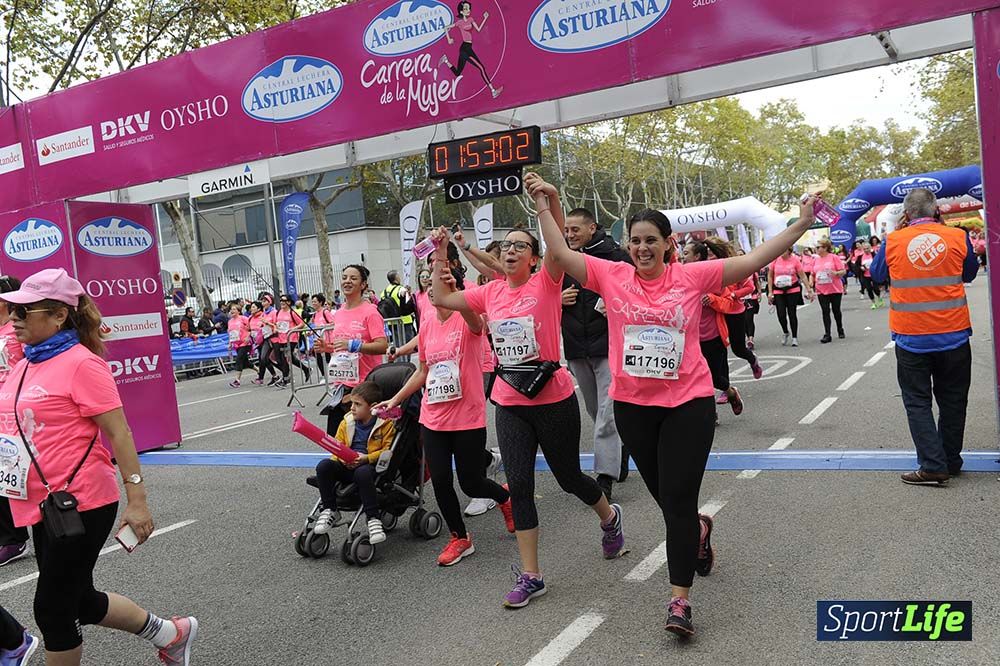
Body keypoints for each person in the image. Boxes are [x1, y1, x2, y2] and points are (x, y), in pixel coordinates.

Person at [528, 171, 819, 636]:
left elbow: (754, 259)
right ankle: (698, 531)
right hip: (633, 407)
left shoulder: (692, 276)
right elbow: (560, 254)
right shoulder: (611, 275)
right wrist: (545, 204)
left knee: (678, 503)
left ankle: (679, 600)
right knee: (667, 500)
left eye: (651, 241)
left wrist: (800, 225)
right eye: (635, 240)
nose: (642, 248)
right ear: (627, 244)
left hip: (688, 404)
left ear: (668, 244)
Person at [0, 268, 197, 665]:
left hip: (82, 501)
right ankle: (171, 634)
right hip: (41, 503)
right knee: (80, 599)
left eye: (24, 311)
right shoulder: (24, 364)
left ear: (59, 315)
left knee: (53, 609)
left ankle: (172, 634)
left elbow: (120, 433)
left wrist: (137, 501)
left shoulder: (82, 364)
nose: (14, 318)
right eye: (13, 310)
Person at [430, 219, 627, 609]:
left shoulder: (546, 283)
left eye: (521, 246)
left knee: (569, 478)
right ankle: (532, 575)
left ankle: (609, 518)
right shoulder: (490, 292)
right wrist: (439, 253)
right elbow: (441, 299)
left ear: (535, 259)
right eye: (506, 245)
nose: (510, 250)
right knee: (519, 485)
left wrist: (544, 205)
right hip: (510, 401)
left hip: (553, 398)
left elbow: (559, 247)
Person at [375, 245, 513, 566]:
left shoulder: (468, 318)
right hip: (433, 416)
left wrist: (444, 263)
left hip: (467, 415)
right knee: (440, 481)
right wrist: (395, 399)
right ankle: (460, 538)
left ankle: (505, 498)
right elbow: (422, 371)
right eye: (430, 287)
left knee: (471, 481)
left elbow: (476, 322)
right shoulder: (426, 325)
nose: (433, 291)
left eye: (440, 286)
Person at [869, 188, 978, 486]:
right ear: (937, 211)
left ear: (906, 214)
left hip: (912, 337)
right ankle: (950, 461)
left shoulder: (894, 240)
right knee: (954, 400)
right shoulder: (957, 237)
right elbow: (969, 274)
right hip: (954, 334)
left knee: (917, 401)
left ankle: (932, 465)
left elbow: (877, 275)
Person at [560, 208, 632, 499]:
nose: (569, 235)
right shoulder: (562, 258)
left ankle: (604, 478)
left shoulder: (617, 256)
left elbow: (636, 289)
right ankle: (621, 446)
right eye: (566, 230)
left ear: (592, 228)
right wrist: (557, 299)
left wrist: (612, 301)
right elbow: (540, 293)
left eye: (575, 229)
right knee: (595, 410)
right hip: (577, 347)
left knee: (606, 413)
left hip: (610, 345)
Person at [312, 382, 395, 544]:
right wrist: (341, 458)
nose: (352, 408)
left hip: (368, 466)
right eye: (352, 403)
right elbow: (337, 446)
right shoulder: (346, 422)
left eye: (357, 404)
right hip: (346, 464)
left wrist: (366, 458)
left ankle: (373, 518)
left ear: (373, 406)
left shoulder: (385, 425)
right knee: (324, 466)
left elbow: (387, 451)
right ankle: (330, 509)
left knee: (363, 473)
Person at [682, 239, 747, 422]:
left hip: (712, 337)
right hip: (690, 339)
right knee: (697, 378)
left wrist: (712, 299)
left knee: (715, 378)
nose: (682, 256)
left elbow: (728, 304)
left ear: (697, 256)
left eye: (686, 253)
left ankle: (731, 392)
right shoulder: (681, 276)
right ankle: (711, 414)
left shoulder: (711, 277)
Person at [324, 266, 389, 436]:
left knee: (359, 440)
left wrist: (353, 345)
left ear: (363, 284)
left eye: (353, 278)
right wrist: (327, 347)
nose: (347, 281)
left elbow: (382, 346)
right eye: (344, 277)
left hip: (364, 385)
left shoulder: (370, 312)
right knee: (335, 438)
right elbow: (341, 347)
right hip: (342, 385)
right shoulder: (339, 312)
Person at [0, 275, 27, 567]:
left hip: (17, 409)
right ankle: (10, 536)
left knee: (18, 472)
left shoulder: (17, 329)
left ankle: (15, 537)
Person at [440, 1, 503, 98]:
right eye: (465, 9)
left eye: (468, 8)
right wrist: (449, 39)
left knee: (457, 73)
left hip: (467, 47)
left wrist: (485, 18)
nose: (468, 10)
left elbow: (478, 29)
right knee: (481, 68)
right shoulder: (459, 22)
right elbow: (446, 28)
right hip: (465, 49)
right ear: (461, 12)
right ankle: (493, 91)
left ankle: (446, 60)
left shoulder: (471, 19)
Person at [767, 248, 813, 346]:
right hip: (778, 290)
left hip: (792, 290)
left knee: (792, 313)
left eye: (783, 250)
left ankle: (794, 337)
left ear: (789, 250)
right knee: (781, 314)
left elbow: (802, 276)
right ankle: (785, 331)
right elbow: (770, 276)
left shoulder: (795, 260)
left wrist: (809, 290)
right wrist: (770, 292)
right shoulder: (775, 260)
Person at [810, 239, 847, 343]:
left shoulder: (833, 257)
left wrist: (836, 273)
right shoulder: (815, 260)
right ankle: (827, 334)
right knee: (825, 311)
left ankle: (840, 329)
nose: (816, 249)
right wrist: (811, 282)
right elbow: (812, 274)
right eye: (816, 247)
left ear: (825, 248)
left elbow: (843, 271)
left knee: (836, 310)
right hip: (821, 289)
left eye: (818, 247)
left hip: (834, 289)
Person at [273, 294, 310, 388]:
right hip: (281, 338)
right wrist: (276, 328)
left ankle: (286, 379)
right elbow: (277, 324)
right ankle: (306, 369)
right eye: (281, 300)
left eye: (284, 300)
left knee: (285, 357)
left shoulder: (292, 312)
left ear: (289, 302)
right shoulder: (278, 312)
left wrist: (292, 329)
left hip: (291, 338)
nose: (282, 302)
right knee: (288, 358)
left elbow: (302, 323)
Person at [379, 271, 416, 344]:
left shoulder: (384, 292)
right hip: (404, 321)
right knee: (408, 344)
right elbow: (408, 303)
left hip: (391, 322)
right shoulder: (401, 289)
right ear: (396, 278)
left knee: (397, 344)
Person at [226, 303, 254, 388]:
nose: (232, 311)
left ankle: (237, 381)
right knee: (245, 362)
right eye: (231, 309)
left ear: (238, 311)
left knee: (239, 360)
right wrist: (230, 343)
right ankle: (259, 371)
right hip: (236, 344)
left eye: (234, 309)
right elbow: (230, 333)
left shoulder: (243, 318)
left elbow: (250, 328)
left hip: (245, 343)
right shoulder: (230, 321)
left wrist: (248, 336)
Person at [310, 294, 335, 378]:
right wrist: (310, 332)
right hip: (319, 339)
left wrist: (323, 327)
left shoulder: (325, 312)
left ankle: (333, 375)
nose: (313, 303)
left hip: (328, 340)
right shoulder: (314, 314)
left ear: (320, 302)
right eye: (312, 302)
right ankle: (324, 375)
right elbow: (315, 326)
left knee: (329, 358)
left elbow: (333, 323)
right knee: (317, 355)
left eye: (315, 301)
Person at [858, 242, 884, 309]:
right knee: (869, 289)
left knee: (875, 288)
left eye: (867, 248)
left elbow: (879, 263)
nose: (866, 250)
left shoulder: (874, 255)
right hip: (865, 275)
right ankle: (873, 303)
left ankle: (879, 298)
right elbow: (857, 266)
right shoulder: (860, 257)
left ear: (870, 248)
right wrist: (861, 268)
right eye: (864, 249)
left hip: (873, 275)